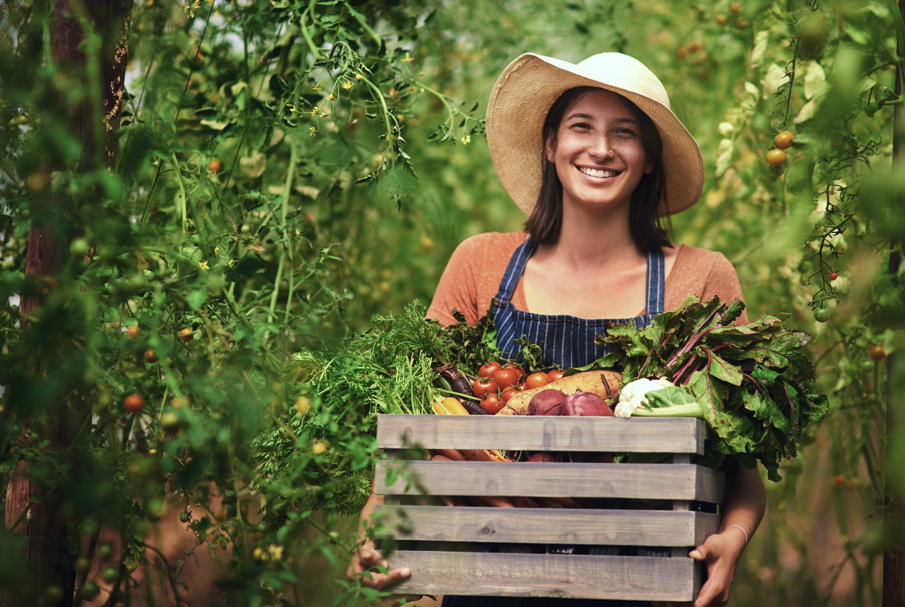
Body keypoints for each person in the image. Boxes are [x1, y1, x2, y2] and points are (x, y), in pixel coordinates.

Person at [349, 52, 767, 607]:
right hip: (488, 580)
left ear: (647, 159)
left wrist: (731, 540)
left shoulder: (701, 278)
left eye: (625, 133)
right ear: (550, 145)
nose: (601, 148)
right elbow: (418, 433)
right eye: (581, 127)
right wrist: (374, 521)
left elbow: (743, 464)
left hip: (644, 581)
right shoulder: (482, 265)